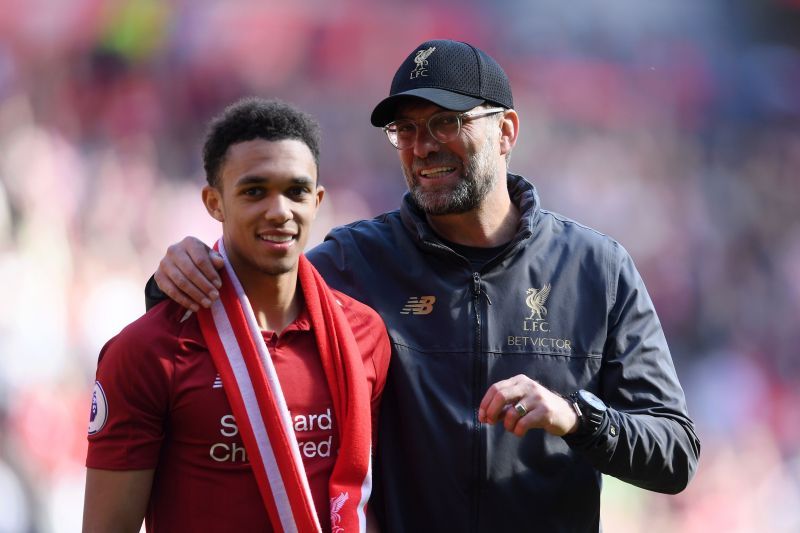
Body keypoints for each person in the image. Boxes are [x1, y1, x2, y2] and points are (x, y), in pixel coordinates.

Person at [147, 40, 701, 532]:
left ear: (505, 131)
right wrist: (177, 276)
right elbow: (237, 315)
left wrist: (575, 416)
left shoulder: (596, 269)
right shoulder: (355, 260)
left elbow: (675, 453)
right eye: (405, 129)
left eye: (445, 122)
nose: (422, 146)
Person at [83, 98, 390, 533]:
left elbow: (364, 498)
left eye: (297, 191)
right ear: (214, 202)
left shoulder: (365, 333)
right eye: (254, 191)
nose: (279, 210)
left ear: (318, 200)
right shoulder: (147, 350)